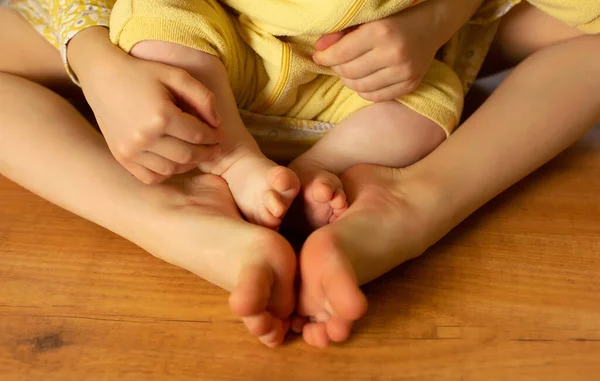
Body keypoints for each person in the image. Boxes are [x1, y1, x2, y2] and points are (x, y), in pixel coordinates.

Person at [1, 0, 599, 349]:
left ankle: (376, 190)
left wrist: (437, 19)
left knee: (427, 100)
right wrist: (95, 58)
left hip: (373, 76)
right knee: (163, 25)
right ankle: (188, 198)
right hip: (204, 64)